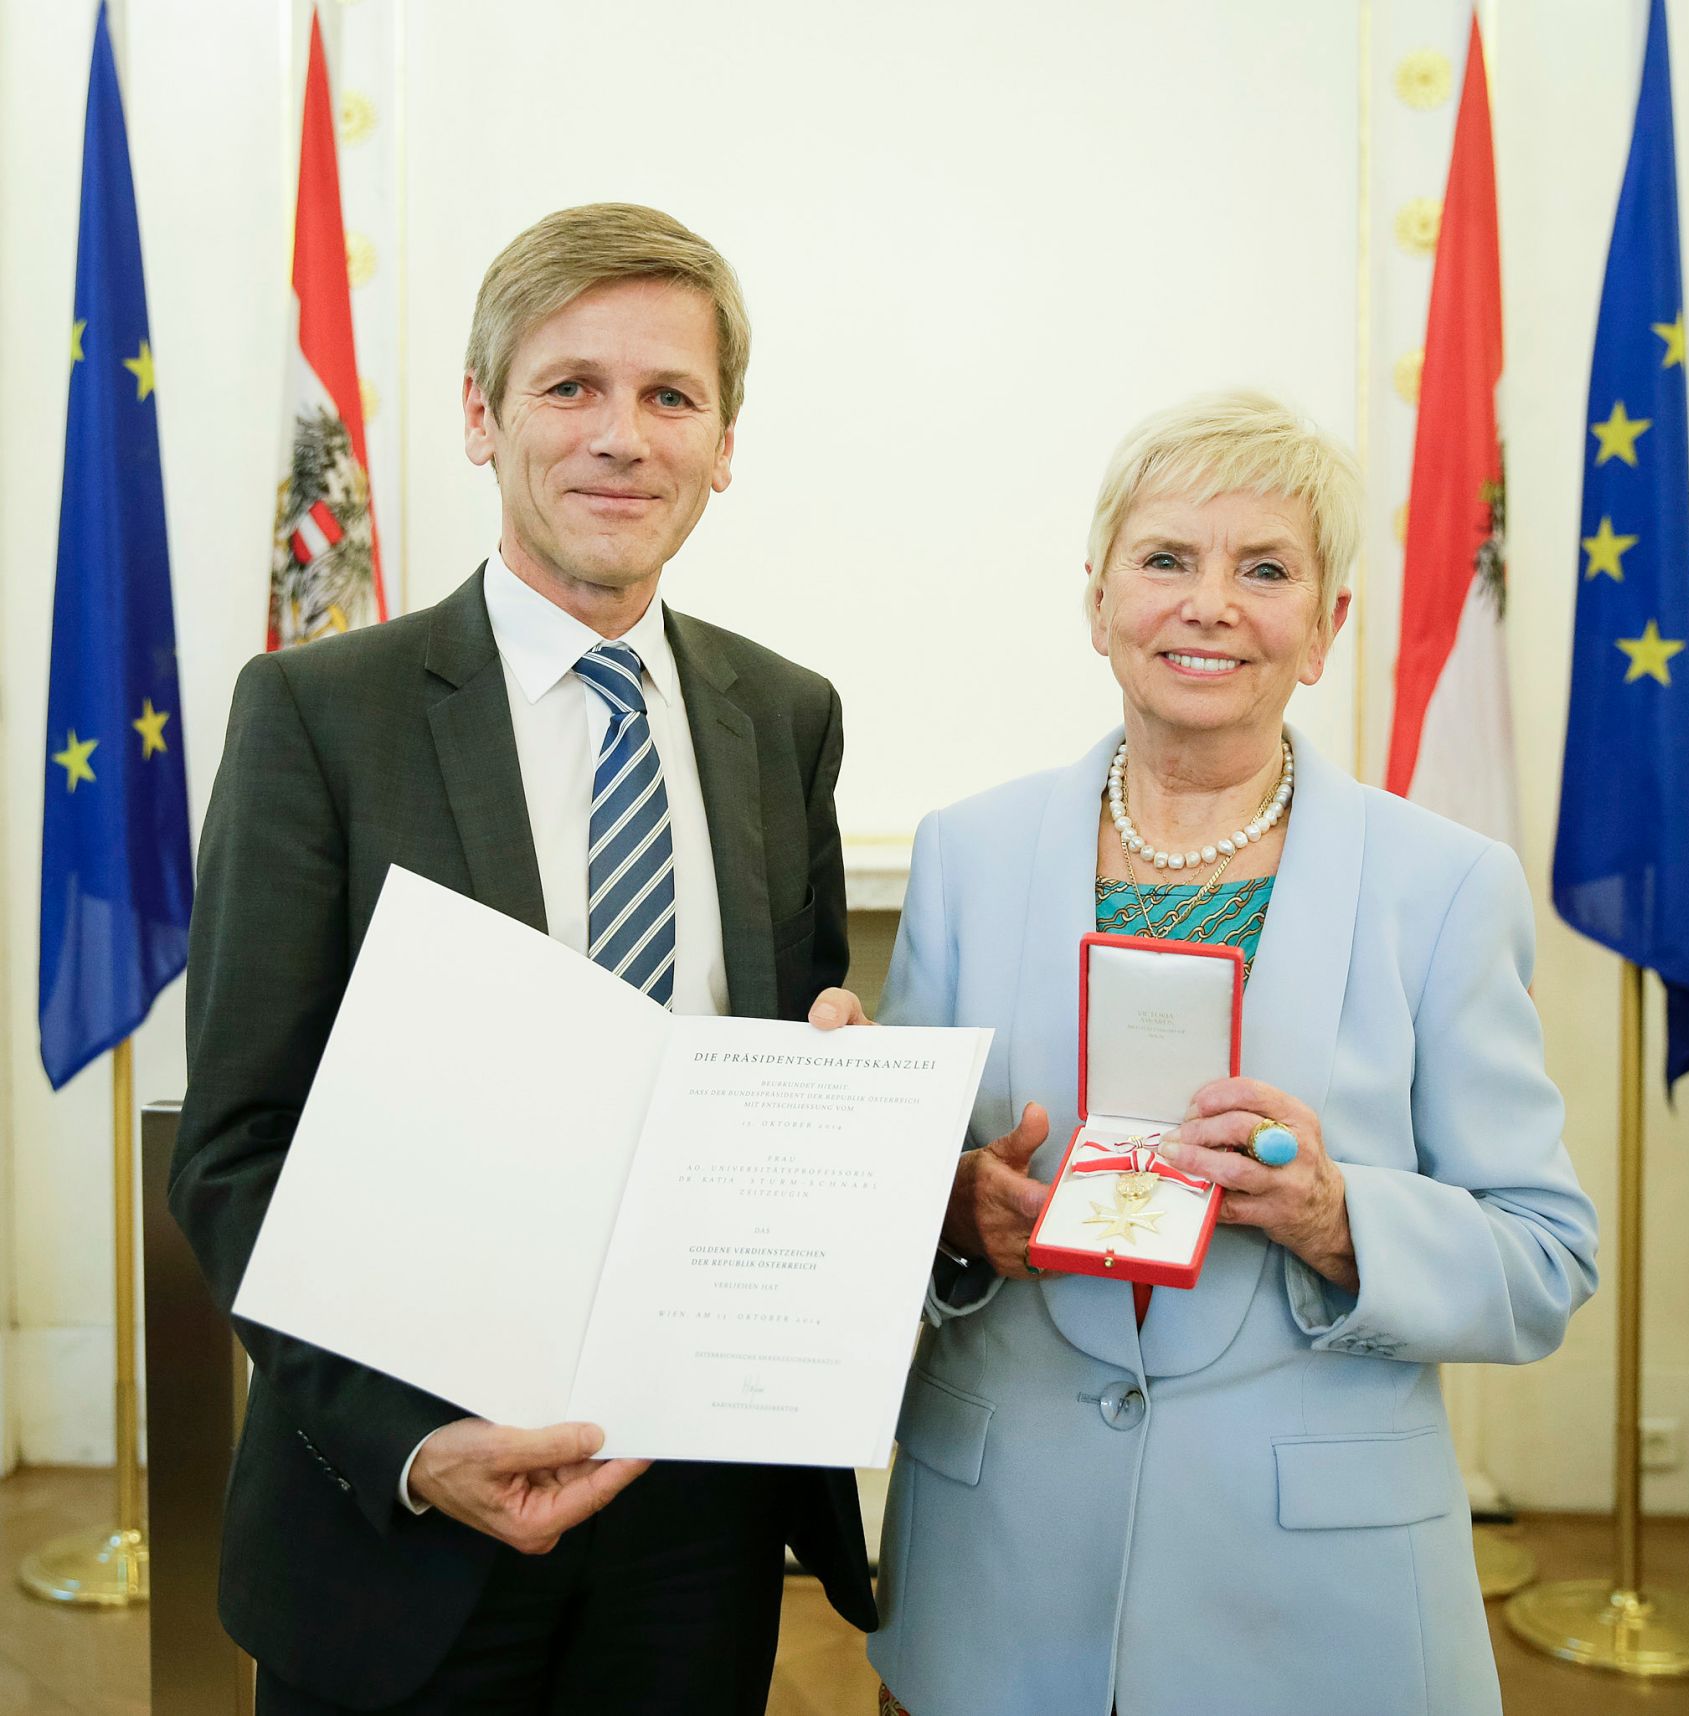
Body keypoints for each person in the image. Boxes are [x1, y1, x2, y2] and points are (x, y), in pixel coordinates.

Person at [170, 203, 876, 1714]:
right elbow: (238, 1146)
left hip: (696, 1515)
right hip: (400, 1517)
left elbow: (781, 1066)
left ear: (724, 444)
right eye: (571, 387)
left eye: (670, 395)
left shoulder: (786, 717)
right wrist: (412, 1446)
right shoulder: (319, 717)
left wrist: (830, 1099)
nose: (622, 436)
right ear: (482, 417)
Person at [812, 391, 1598, 1715]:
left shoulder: (1445, 887)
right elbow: (911, 1208)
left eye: (1266, 570)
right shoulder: (968, 855)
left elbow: (1545, 1258)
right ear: (1098, 598)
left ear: (1326, 627)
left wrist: (1340, 1217)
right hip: (998, 1589)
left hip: (1314, 1609)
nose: (1210, 604)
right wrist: (943, 1205)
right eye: (1167, 558)